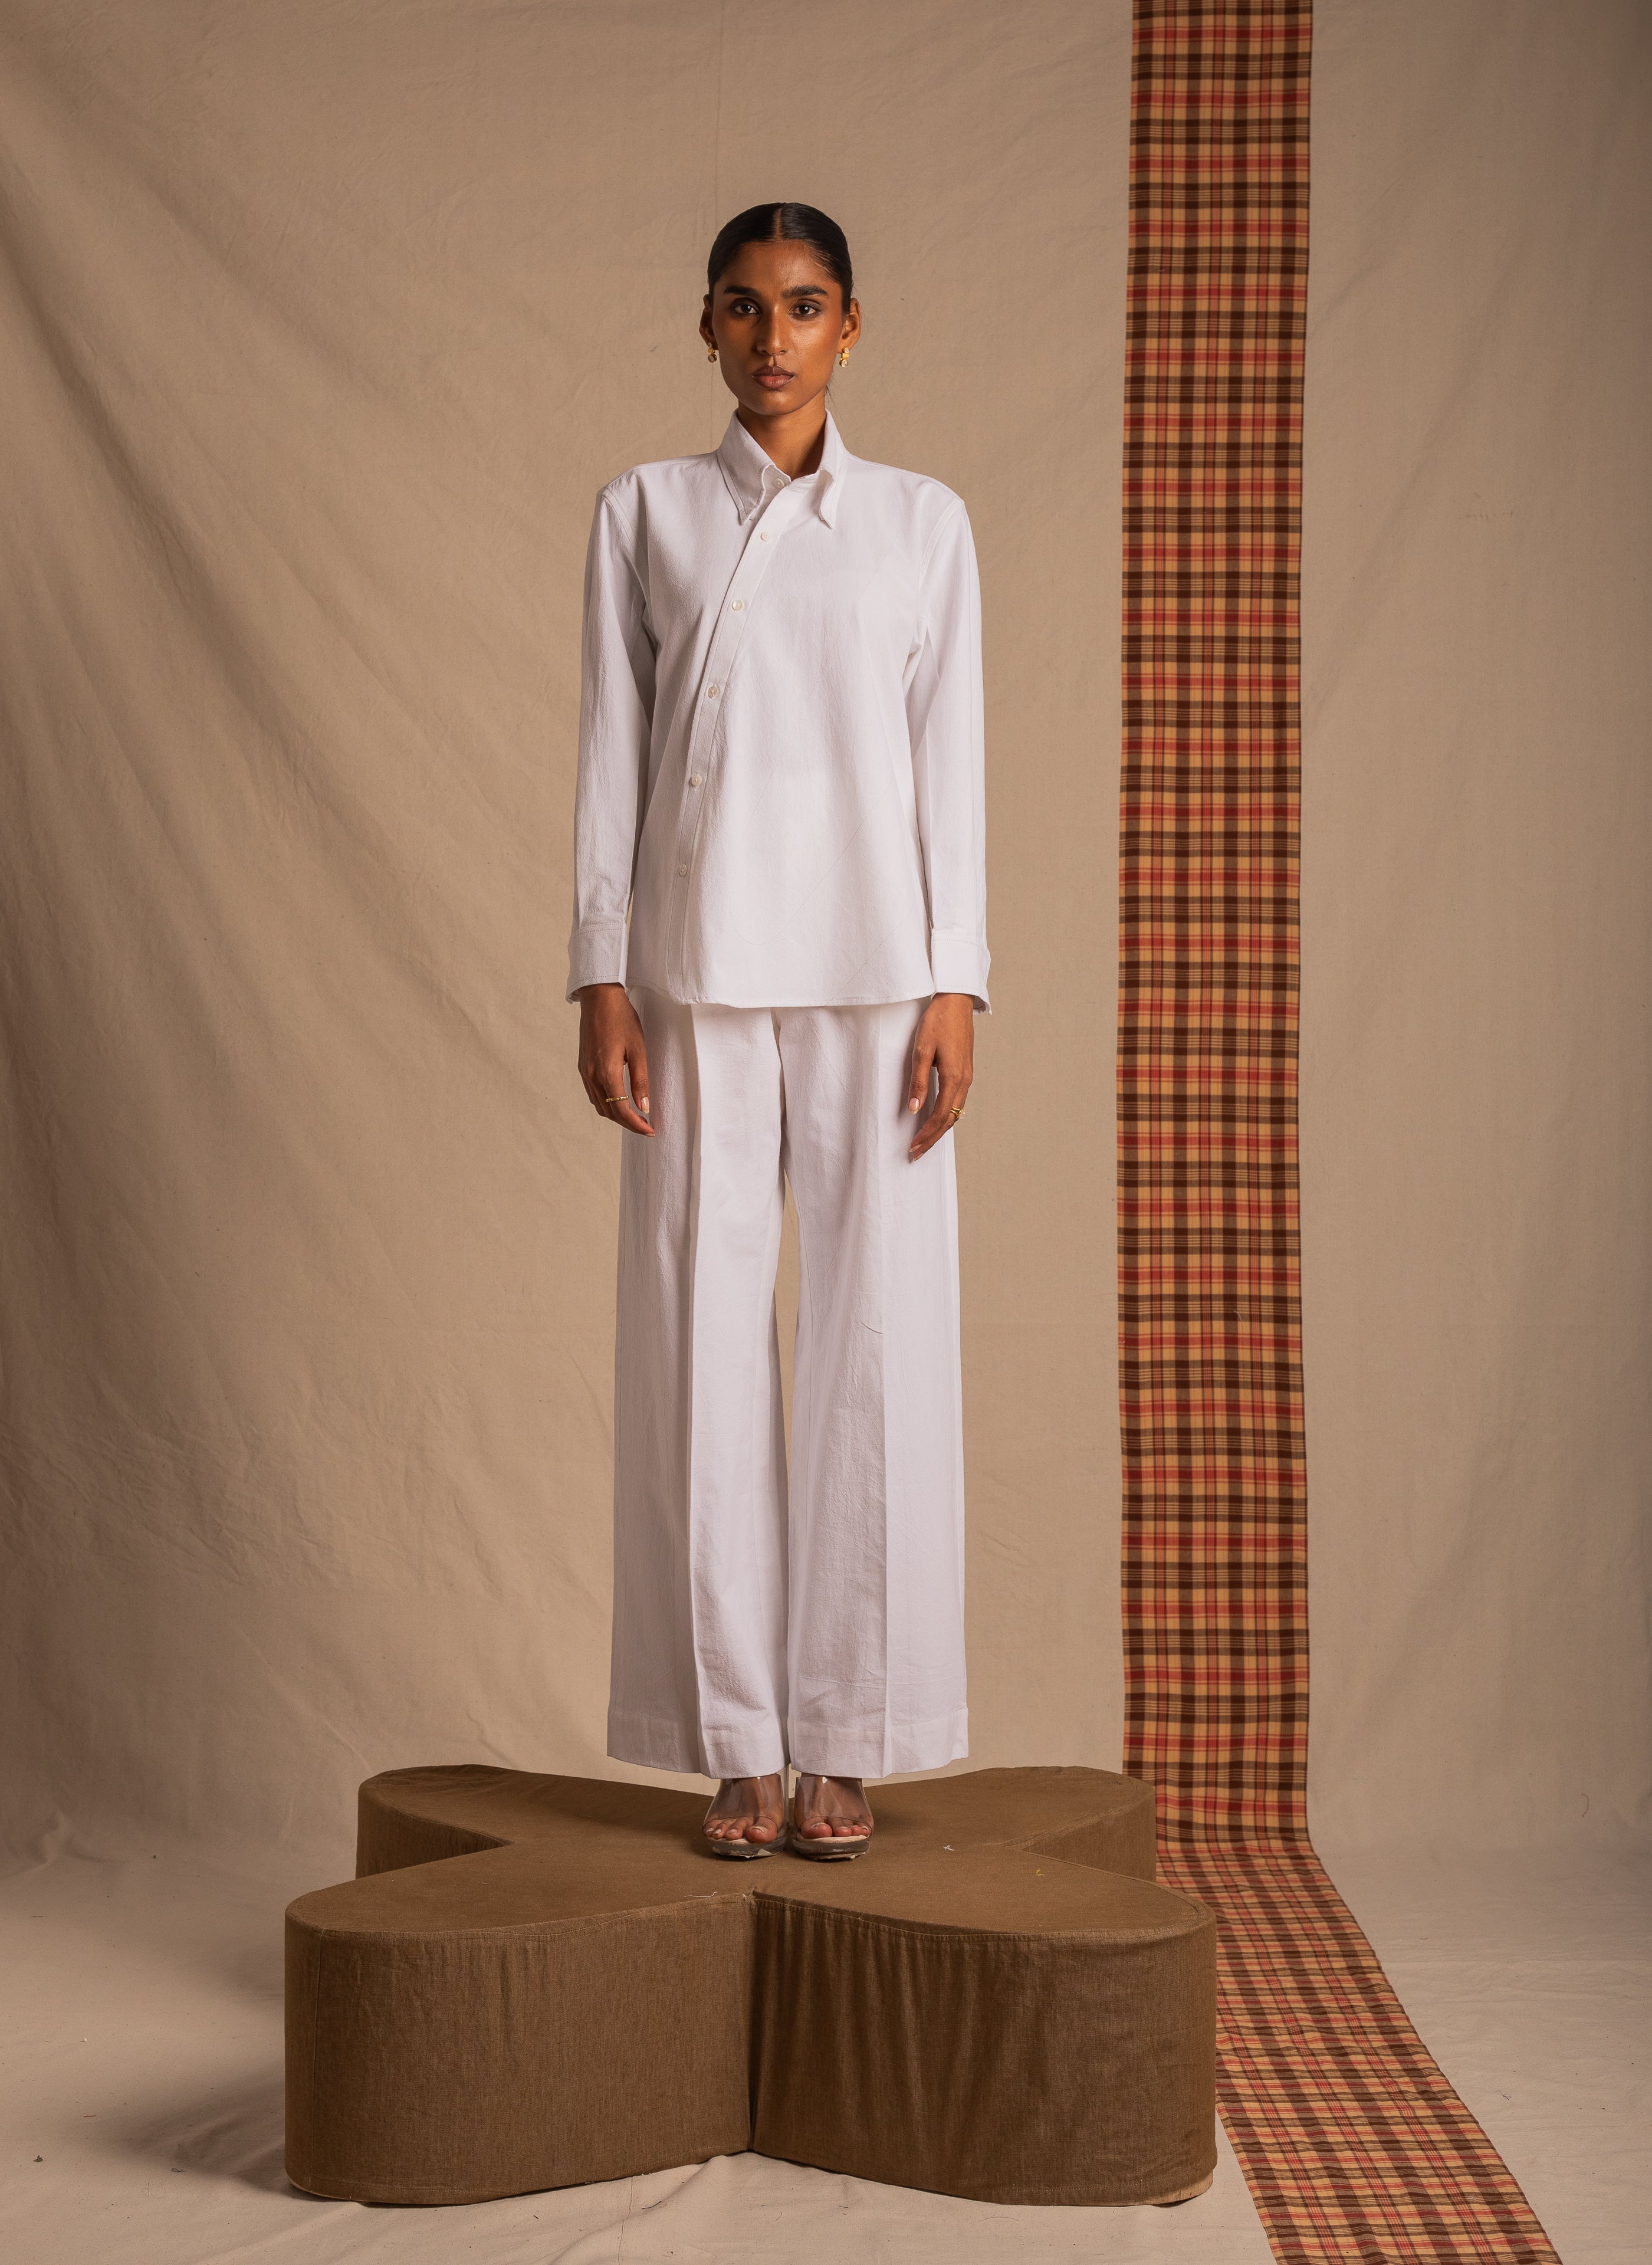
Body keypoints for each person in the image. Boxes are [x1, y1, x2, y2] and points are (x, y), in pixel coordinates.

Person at [567, 202, 988, 1860]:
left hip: (882, 975)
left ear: (850, 325)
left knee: (879, 1345)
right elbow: (612, 749)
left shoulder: (921, 522)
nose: (773, 339)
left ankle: (848, 1738)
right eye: (743, 308)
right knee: (698, 1342)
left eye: (804, 307)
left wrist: (959, 979)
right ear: (707, 326)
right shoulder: (646, 512)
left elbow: (949, 757)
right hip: (694, 976)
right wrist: (601, 971)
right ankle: (739, 1741)